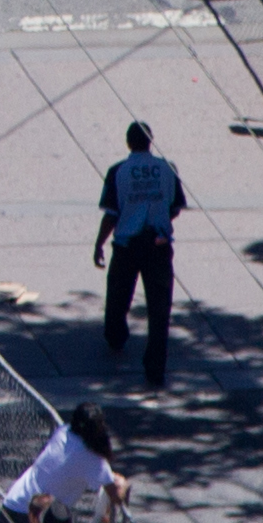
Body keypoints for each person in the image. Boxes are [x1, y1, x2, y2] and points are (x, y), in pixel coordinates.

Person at [96, 122, 186, 386]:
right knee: (160, 309)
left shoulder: (118, 172)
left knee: (118, 296)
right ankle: (155, 368)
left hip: (127, 246)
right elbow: (175, 206)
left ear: (128, 142)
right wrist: (158, 218)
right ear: (151, 141)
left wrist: (99, 243)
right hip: (158, 246)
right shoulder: (167, 169)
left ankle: (116, 335)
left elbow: (112, 214)